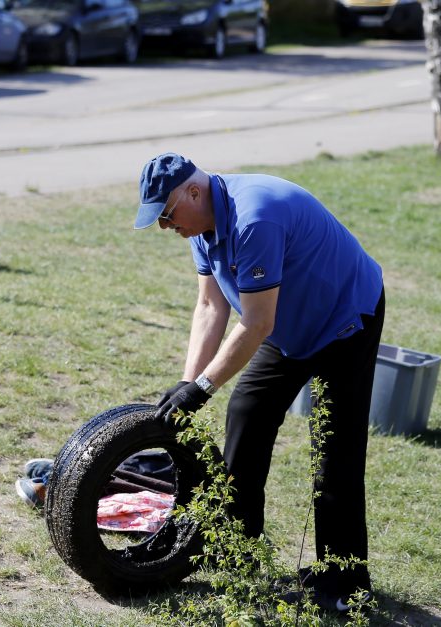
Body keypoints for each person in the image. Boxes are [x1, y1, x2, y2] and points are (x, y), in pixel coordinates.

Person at [135, 152, 385, 614]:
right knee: (247, 413)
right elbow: (211, 306)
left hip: (344, 322)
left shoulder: (255, 219)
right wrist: (187, 382)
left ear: (194, 191)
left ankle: (345, 581)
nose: (165, 226)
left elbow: (255, 324)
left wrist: (203, 388)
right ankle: (238, 545)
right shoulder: (202, 224)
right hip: (285, 326)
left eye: (167, 215)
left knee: (334, 451)